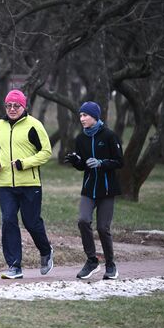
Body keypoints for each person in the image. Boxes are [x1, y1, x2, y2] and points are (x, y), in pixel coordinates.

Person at [0, 89, 54, 279]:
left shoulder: (34, 125)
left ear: (23, 106)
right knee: (8, 220)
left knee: (31, 222)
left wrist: (24, 163)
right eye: (8, 105)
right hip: (5, 183)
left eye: (16, 106)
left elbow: (46, 152)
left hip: (30, 183)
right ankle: (14, 266)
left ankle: (46, 251)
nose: (11, 109)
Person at [64, 101, 123, 280]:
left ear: (95, 117)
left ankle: (111, 265)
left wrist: (101, 163)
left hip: (106, 189)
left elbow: (120, 162)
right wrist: (76, 161)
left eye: (85, 115)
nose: (81, 118)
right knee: (83, 221)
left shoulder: (109, 136)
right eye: (80, 115)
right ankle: (91, 261)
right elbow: (83, 166)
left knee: (103, 228)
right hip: (89, 189)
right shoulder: (80, 139)